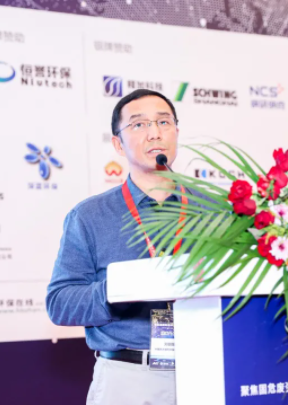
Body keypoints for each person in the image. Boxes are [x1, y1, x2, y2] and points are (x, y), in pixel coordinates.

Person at [46, 89, 189, 405]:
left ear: (176, 132)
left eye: (163, 122)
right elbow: (60, 303)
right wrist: (120, 288)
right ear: (118, 144)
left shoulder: (216, 209)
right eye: (139, 125)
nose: (154, 133)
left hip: (208, 369)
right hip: (129, 378)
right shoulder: (90, 216)